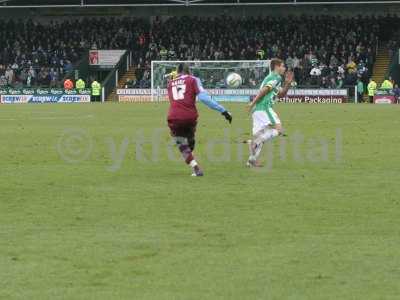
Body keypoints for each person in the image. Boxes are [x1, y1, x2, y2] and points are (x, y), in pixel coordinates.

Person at [167, 63, 232, 177]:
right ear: (189, 71)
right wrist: (223, 111)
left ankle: (195, 167)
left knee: (181, 143)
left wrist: (174, 79)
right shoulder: (193, 79)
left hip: (174, 117)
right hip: (190, 117)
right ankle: (190, 152)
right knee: (189, 140)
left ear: (177, 71)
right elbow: (204, 98)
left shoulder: (170, 83)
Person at [246, 58, 293, 167]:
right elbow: (264, 90)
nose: (284, 68)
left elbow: (280, 94)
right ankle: (254, 143)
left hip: (257, 110)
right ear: (277, 66)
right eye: (283, 66)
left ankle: (251, 160)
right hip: (264, 108)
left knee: (262, 135)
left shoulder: (273, 78)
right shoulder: (275, 77)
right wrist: (252, 103)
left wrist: (288, 84)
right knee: (279, 129)